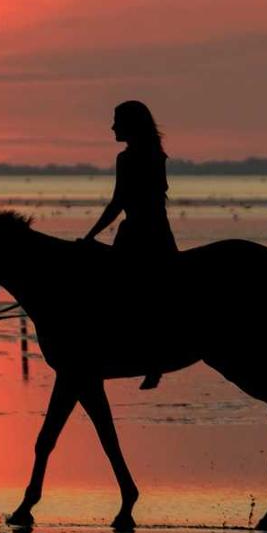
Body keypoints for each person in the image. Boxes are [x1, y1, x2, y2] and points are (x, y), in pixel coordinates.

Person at [82, 100, 178, 390]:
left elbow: (118, 202)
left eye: (117, 121)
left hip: (139, 233)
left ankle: (133, 355)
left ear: (130, 125)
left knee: (114, 292)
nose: (112, 127)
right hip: (158, 231)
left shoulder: (128, 159)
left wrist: (90, 236)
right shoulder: (155, 155)